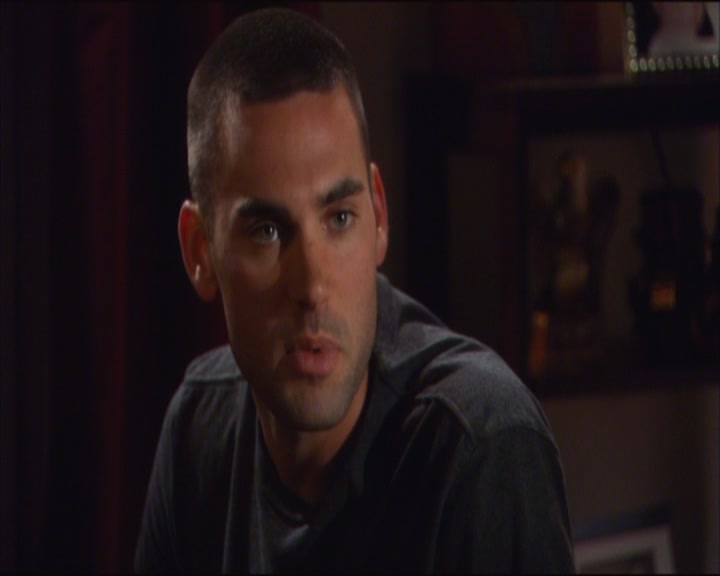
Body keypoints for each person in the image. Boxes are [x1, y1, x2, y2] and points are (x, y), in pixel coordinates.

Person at [134, 7, 575, 573]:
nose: (313, 286)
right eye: (267, 232)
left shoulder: (478, 443)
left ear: (379, 215)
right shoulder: (201, 424)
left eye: (339, 218)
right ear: (200, 252)